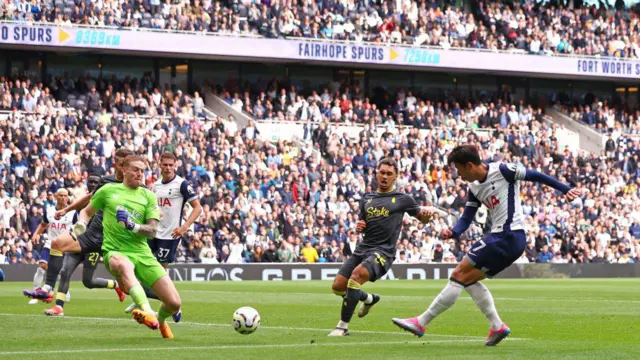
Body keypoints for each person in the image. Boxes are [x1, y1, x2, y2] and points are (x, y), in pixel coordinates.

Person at [392, 144, 581, 346]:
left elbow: (536, 175)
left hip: (508, 235)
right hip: (507, 239)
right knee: (466, 279)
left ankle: (421, 322)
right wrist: (453, 232)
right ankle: (497, 326)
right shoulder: (474, 187)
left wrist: (566, 189)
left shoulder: (503, 170)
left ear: (470, 165)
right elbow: (467, 217)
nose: (458, 174)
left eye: (459, 169)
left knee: (458, 274)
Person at [74, 155, 182, 339]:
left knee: (174, 303)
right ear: (124, 169)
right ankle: (147, 311)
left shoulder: (148, 195)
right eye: (136, 169)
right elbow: (86, 211)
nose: (140, 174)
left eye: (142, 170)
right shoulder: (108, 190)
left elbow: (152, 229)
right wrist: (82, 223)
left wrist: (133, 226)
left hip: (142, 253)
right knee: (124, 266)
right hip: (115, 252)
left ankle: (161, 321)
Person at [328, 158, 435, 336]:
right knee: (338, 286)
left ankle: (342, 327)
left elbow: (422, 218)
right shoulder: (367, 198)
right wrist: (360, 226)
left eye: (389, 174)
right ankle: (369, 299)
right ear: (377, 173)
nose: (384, 176)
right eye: (382, 172)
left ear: (396, 177)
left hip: (383, 252)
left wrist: (426, 217)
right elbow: (363, 223)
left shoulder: (403, 199)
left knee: (355, 278)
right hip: (363, 248)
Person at [52, 148, 163, 306]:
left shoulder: (142, 190)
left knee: (106, 283)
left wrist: (133, 223)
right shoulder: (106, 184)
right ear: (117, 165)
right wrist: (69, 212)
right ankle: (53, 297)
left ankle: (162, 299)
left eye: (125, 164)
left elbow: (156, 215)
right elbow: (89, 202)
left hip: (114, 242)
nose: (121, 167)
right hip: (89, 236)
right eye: (119, 163)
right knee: (59, 249)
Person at [124, 152, 201, 316]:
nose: (167, 168)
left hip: (169, 236)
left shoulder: (182, 184)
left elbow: (198, 207)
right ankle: (142, 298)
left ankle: (173, 304)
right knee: (139, 266)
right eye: (164, 164)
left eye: (170, 165)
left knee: (159, 272)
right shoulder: (156, 185)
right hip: (153, 232)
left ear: (175, 165)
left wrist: (184, 227)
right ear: (160, 164)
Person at [44, 175, 126, 316]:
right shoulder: (82, 202)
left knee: (88, 282)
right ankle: (59, 307)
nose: (94, 184)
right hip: (78, 240)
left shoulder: (105, 199)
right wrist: (65, 211)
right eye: (91, 182)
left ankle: (115, 285)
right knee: (65, 271)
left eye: (96, 182)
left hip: (93, 245)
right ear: (88, 185)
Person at [23, 188, 76, 304]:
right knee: (42, 265)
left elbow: (79, 228)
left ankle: (63, 290)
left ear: (68, 197)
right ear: (56, 197)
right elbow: (43, 224)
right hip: (50, 243)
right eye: (61, 195)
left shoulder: (73, 213)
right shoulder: (49, 210)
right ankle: (36, 293)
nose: (63, 198)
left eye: (65, 195)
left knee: (62, 270)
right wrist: (37, 233)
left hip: (65, 246)